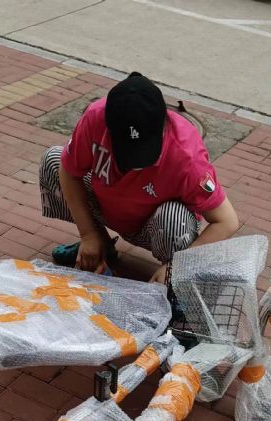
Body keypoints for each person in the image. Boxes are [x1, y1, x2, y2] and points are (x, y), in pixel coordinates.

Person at [39, 72, 239, 285]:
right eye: (127, 152)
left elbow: (227, 221)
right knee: (54, 160)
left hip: (154, 226)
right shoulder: (95, 117)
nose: (135, 165)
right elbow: (69, 172)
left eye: (143, 152)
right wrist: (88, 233)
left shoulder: (186, 156)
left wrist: (177, 267)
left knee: (174, 219)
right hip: (106, 204)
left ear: (163, 127)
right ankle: (100, 244)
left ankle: (173, 280)